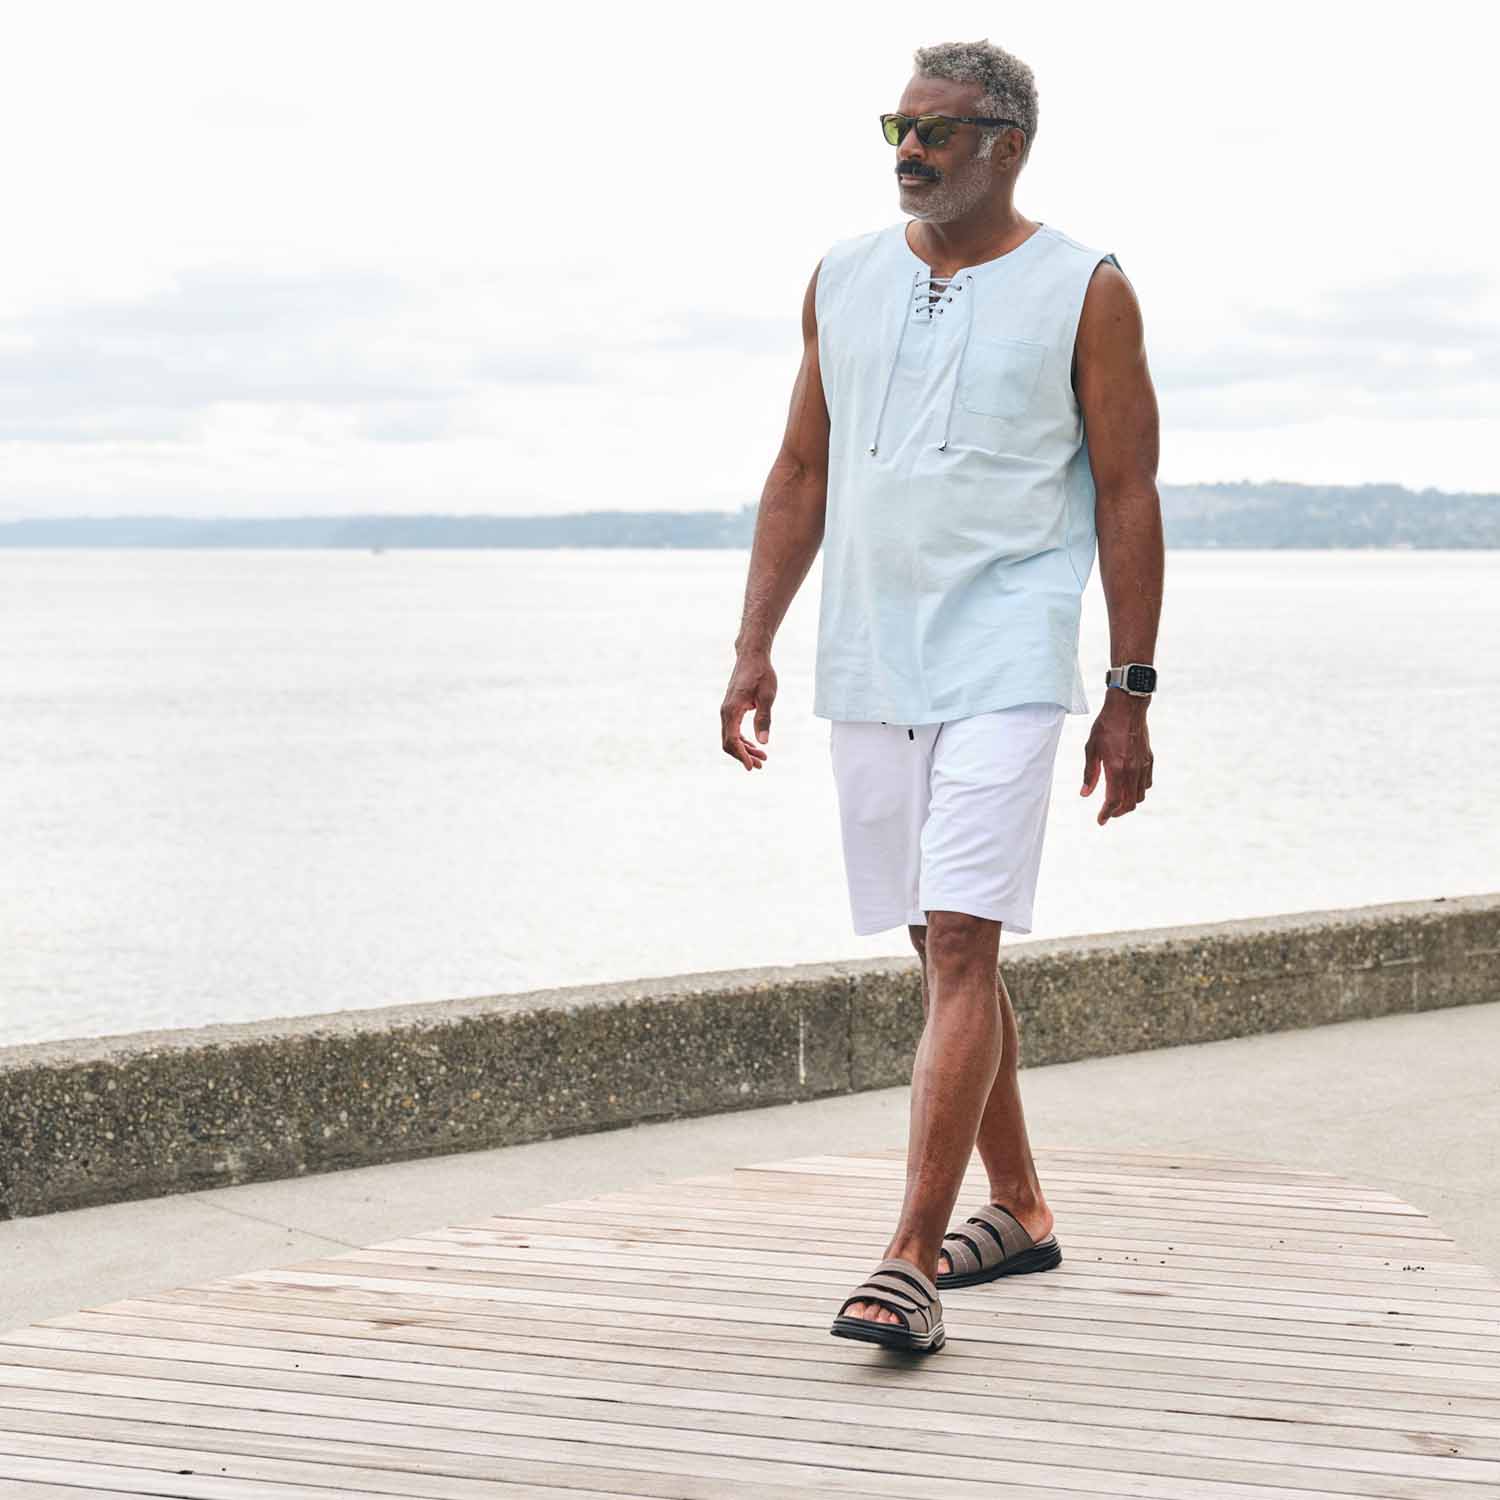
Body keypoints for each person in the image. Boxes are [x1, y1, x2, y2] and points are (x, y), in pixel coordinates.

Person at [721, 36, 1163, 1354]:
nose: (909, 152)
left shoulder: (1086, 287)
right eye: (897, 130)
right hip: (872, 648)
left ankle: (908, 1254)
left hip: (1010, 648)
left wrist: (1128, 690)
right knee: (935, 942)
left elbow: (1130, 493)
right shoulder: (841, 279)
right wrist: (755, 643)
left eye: (937, 133)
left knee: (964, 940)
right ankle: (1018, 1207)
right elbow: (802, 471)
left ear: (1007, 145)